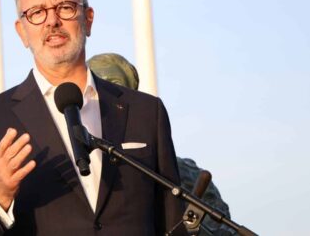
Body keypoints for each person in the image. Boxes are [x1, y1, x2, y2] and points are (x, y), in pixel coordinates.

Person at [0, 0, 185, 235]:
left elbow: (173, 222)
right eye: (37, 13)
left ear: (88, 18)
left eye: (65, 8)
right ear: (21, 31)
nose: (52, 21)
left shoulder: (146, 112)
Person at [87, 53, 236, 236]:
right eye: (97, 87)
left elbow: (225, 232)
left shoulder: (186, 174)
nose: (105, 94)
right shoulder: (67, 171)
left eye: (113, 84)